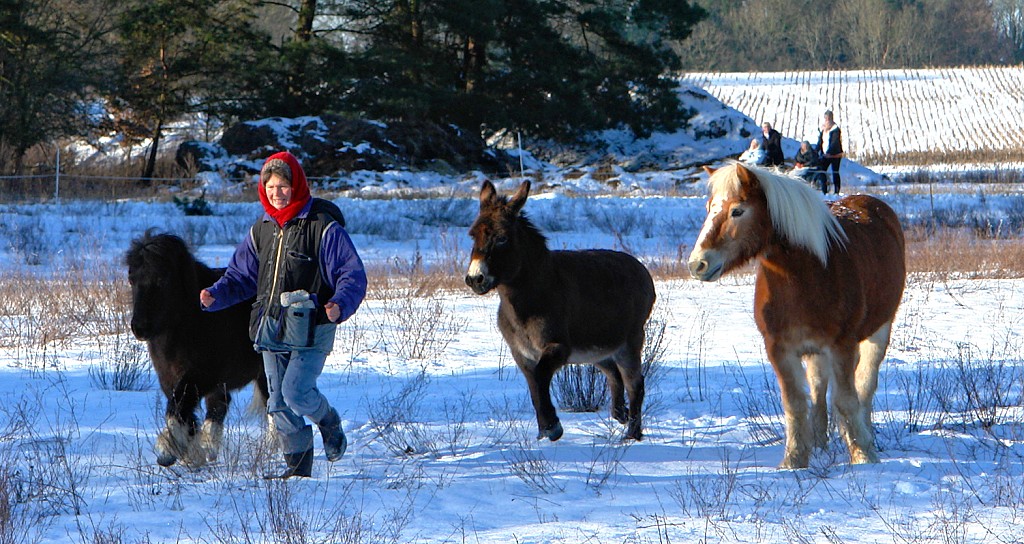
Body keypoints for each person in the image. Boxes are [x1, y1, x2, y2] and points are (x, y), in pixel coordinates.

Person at [199, 151, 367, 479]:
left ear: (297, 185)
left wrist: (339, 304)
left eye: (284, 185)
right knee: (276, 403)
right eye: (271, 186)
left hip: (312, 327)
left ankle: (328, 421)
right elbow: (241, 276)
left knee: (296, 392)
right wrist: (215, 295)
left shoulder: (323, 226)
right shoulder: (261, 229)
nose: (277, 192)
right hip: (271, 328)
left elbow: (352, 273)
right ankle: (299, 470)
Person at [816, 110, 844, 194]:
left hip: (835, 155)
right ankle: (824, 189)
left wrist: (829, 152)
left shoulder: (835, 129)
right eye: (826, 118)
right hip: (825, 155)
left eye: (829, 118)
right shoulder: (823, 129)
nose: (827, 120)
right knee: (821, 170)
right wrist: (815, 151)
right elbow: (820, 141)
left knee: (835, 171)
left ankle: (836, 191)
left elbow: (834, 142)